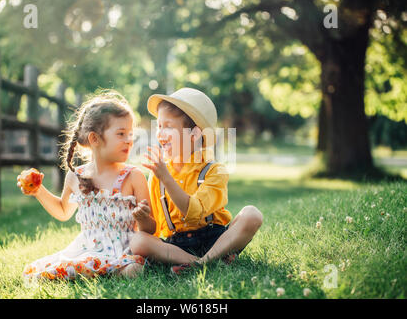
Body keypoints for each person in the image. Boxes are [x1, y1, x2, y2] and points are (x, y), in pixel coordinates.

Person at [19, 90, 155, 280]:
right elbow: (63, 211)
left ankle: (97, 272)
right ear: (94, 139)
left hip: (124, 250)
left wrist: (142, 218)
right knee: (44, 272)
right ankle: (91, 270)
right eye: (121, 134)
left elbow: (150, 229)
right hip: (87, 248)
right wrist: (38, 191)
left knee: (134, 270)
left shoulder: (133, 176)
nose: (129, 140)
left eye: (130, 134)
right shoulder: (76, 176)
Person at [130, 87, 263, 274]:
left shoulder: (214, 171)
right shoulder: (157, 175)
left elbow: (193, 212)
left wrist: (166, 178)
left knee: (252, 214)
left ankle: (202, 263)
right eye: (159, 126)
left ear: (194, 134)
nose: (160, 133)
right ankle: (203, 261)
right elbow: (153, 229)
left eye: (168, 126)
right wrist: (143, 218)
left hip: (215, 240)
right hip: (176, 246)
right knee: (138, 240)